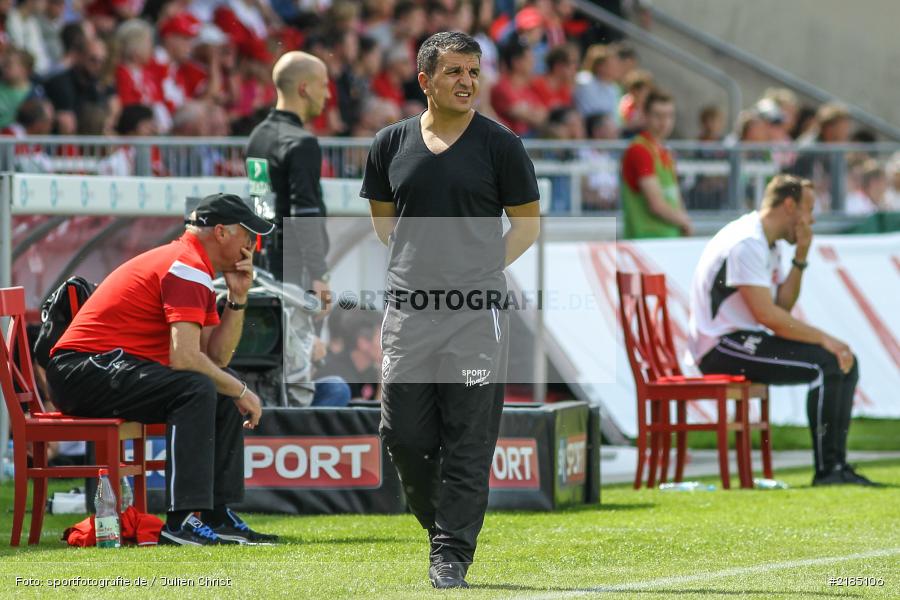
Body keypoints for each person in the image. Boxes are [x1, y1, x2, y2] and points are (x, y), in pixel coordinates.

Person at [361, 31, 540, 589]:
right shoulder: (389, 143)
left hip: (475, 312)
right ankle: (442, 525)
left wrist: (479, 269)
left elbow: (528, 223)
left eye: (473, 71)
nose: (467, 82)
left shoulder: (501, 145)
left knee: (467, 436)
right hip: (410, 309)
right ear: (425, 81)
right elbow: (384, 223)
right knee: (404, 437)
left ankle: (450, 553)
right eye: (454, 72)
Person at [45, 193, 282, 545]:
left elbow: (216, 358)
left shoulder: (191, 264)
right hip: (80, 371)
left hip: (94, 369)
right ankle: (182, 520)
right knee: (200, 387)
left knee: (217, 390)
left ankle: (216, 515)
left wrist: (238, 297)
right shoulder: (186, 266)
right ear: (220, 233)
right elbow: (185, 359)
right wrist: (243, 391)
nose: (253, 243)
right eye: (248, 233)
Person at [688, 175, 879, 487]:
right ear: (789, 206)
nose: (813, 219)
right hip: (719, 346)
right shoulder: (748, 242)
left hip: (740, 338)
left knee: (845, 361)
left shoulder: (767, 242)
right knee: (826, 362)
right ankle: (828, 471)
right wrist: (824, 338)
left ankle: (838, 466)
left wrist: (801, 257)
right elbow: (769, 316)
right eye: (810, 209)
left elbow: (782, 307)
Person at [245, 51, 331, 316]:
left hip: (263, 264)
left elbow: (259, 200)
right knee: (301, 353)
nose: (327, 95)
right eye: (324, 85)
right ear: (304, 88)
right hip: (295, 271)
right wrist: (319, 275)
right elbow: (304, 212)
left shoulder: (258, 137)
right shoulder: (301, 143)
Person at [620, 89, 693, 238]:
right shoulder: (640, 150)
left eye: (669, 116)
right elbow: (656, 205)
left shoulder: (665, 152)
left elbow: (675, 196)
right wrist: (685, 221)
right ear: (645, 116)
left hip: (667, 239)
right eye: (658, 115)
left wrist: (682, 221)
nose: (664, 122)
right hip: (647, 242)